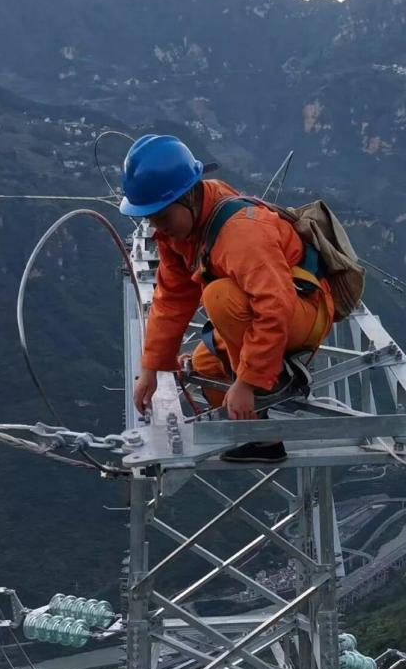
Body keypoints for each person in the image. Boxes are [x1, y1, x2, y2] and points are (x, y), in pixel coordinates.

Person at [119, 134, 334, 462]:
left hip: (302, 311)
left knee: (219, 297)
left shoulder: (240, 234)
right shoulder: (183, 228)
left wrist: (248, 381)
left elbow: (274, 305)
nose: (156, 227)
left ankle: (266, 411)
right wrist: (151, 367)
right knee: (205, 365)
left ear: (187, 197)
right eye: (150, 218)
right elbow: (172, 298)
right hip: (273, 306)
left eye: (161, 216)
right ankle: (255, 426)